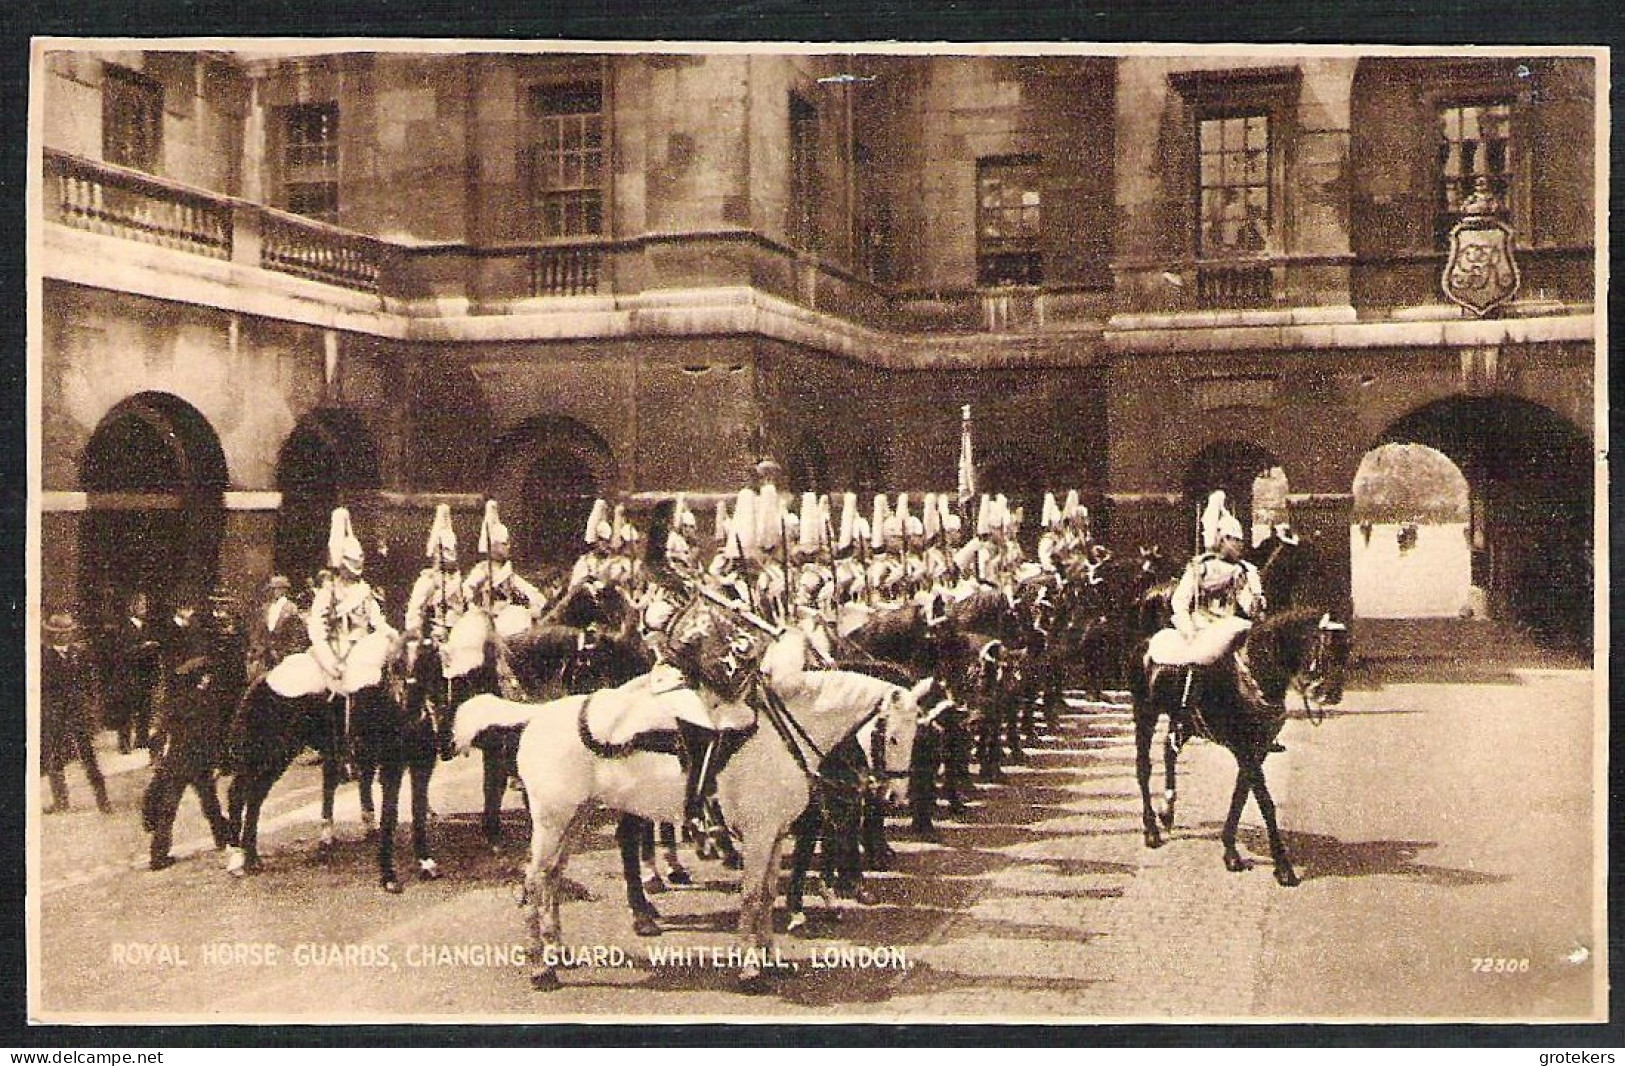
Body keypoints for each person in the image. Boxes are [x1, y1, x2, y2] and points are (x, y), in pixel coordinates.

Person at [1167, 491, 1273, 731]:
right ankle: (1183, 718)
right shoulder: (1200, 567)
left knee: (1257, 657)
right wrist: (1187, 627)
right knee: (1194, 664)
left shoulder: (1243, 570)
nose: (1240, 545)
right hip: (1202, 624)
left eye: (1241, 541)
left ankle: (1262, 716)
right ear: (1223, 539)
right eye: (1235, 540)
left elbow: (1246, 603)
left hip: (1231, 624)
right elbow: (1180, 602)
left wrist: (1255, 604)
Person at [142, 598, 233, 869]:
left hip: (181, 757)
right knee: (207, 802)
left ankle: (159, 855)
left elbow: (163, 727)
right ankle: (224, 838)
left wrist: (160, 751)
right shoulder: (201, 697)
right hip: (195, 757)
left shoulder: (177, 696)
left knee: (176, 804)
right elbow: (212, 729)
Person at [40, 612, 112, 815]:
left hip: (78, 712)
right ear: (53, 635)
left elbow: (91, 682)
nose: (65, 636)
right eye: (60, 633)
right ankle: (61, 801)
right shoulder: (44, 656)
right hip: (55, 713)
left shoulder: (80, 654)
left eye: (68, 632)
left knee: (88, 756)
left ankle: (103, 800)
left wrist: (91, 706)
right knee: (55, 757)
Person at [403, 504, 467, 674]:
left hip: (460, 634)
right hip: (435, 636)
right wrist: (416, 640)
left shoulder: (458, 579)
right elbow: (414, 613)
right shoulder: (427, 581)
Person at [110, 590, 163, 753]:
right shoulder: (123, 627)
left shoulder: (147, 626)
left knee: (144, 708)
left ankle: (142, 739)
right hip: (129, 675)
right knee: (127, 709)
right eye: (140, 605)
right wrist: (143, 648)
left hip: (145, 674)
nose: (144, 608)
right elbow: (121, 652)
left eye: (145, 605)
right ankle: (124, 743)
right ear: (132, 607)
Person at [246, 575, 305, 683]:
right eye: (272, 589)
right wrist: (257, 647)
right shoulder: (266, 608)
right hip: (265, 653)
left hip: (282, 652)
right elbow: (259, 630)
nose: (274, 592)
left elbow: (295, 634)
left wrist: (286, 652)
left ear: (284, 590)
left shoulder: (291, 608)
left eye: (276, 589)